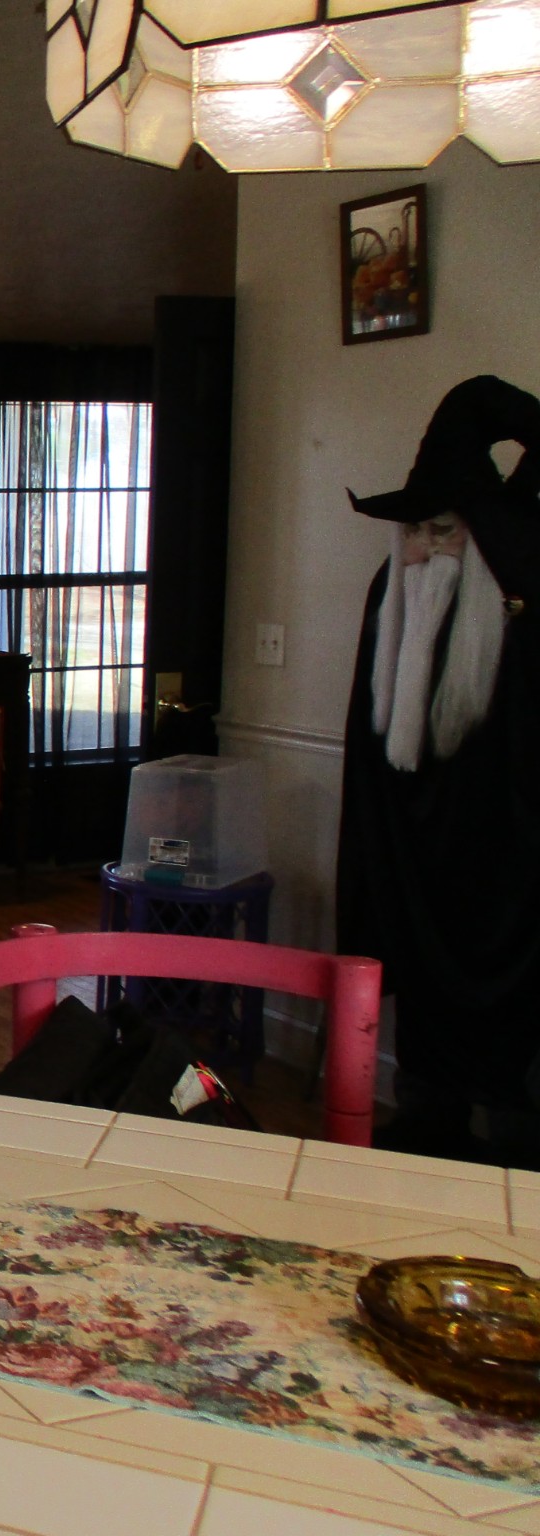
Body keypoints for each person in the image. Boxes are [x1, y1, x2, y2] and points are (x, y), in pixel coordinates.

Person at [336, 375, 540, 1161]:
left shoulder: (518, 603)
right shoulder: (396, 590)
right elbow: (374, 746)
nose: (422, 547)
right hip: (422, 874)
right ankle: (431, 1110)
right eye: (414, 531)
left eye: (443, 529)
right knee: (428, 1009)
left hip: (506, 879)